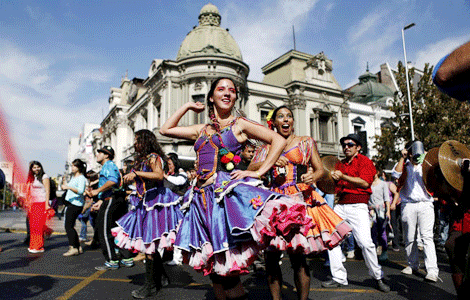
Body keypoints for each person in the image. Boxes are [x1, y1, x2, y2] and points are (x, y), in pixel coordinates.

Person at [159, 77, 314, 300]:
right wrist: (188, 106)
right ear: (211, 97)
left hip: (223, 202)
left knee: (228, 272)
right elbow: (166, 129)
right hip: (200, 202)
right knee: (214, 270)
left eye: (231, 91)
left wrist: (258, 172)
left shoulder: (239, 124)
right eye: (221, 89)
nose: (227, 93)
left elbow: (277, 140)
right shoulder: (202, 129)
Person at [250, 105, 351, 300]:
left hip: (299, 200)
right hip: (273, 201)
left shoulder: (306, 142)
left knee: (298, 257)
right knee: (271, 258)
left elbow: (320, 169)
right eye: (281, 116)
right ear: (275, 123)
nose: (286, 120)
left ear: (293, 122)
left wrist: (312, 177)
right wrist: (270, 162)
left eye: (289, 116)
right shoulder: (266, 146)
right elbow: (252, 167)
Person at [111, 130, 182, 299]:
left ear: (145, 141)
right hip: (146, 203)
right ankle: (161, 278)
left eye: (137, 140)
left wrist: (136, 174)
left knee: (150, 245)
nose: (135, 143)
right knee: (151, 244)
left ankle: (151, 286)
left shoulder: (153, 157)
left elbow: (158, 175)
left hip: (156, 203)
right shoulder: (143, 159)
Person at [321, 134, 390, 293]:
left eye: (350, 144)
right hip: (342, 205)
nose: (346, 147)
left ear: (358, 147)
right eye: (344, 144)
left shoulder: (365, 161)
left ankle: (377, 277)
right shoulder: (340, 164)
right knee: (332, 240)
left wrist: (343, 176)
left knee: (366, 243)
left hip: (358, 205)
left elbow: (365, 182)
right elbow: (330, 184)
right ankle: (338, 277)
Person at [393, 141, 440, 282]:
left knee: (427, 237)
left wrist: (425, 157)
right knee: (409, 237)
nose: (415, 154)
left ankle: (432, 270)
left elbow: (437, 171)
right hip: (408, 204)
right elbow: (395, 174)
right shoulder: (405, 165)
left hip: (426, 203)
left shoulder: (426, 165)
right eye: (412, 151)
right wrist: (403, 157)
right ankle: (412, 264)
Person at [86, 146, 133, 270]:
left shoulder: (108, 165)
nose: (97, 155)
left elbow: (112, 181)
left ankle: (112, 260)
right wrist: (101, 200)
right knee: (117, 229)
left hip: (112, 200)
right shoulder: (110, 166)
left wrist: (97, 191)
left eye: (100, 153)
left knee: (104, 230)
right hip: (113, 199)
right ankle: (126, 257)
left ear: (106, 155)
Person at [62, 159, 87, 256]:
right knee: (70, 226)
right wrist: (66, 185)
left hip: (76, 204)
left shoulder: (81, 178)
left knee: (68, 226)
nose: (72, 168)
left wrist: (68, 187)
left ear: (78, 167)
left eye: (74, 166)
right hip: (71, 203)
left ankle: (73, 247)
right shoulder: (74, 177)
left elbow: (80, 191)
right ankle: (77, 246)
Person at [26, 161, 52, 253]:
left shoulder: (44, 177)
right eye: (34, 167)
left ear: (41, 167)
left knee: (38, 225)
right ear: (31, 169)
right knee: (33, 226)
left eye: (38, 167)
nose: (36, 169)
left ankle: (39, 247)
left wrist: (46, 205)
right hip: (33, 203)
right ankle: (33, 245)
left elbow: (47, 191)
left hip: (41, 203)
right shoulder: (33, 178)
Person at [369, 169, 391, 262]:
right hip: (371, 210)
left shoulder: (383, 184)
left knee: (382, 231)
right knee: (372, 230)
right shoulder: (368, 183)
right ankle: (373, 251)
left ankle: (384, 250)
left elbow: (386, 198)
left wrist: (388, 211)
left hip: (381, 210)